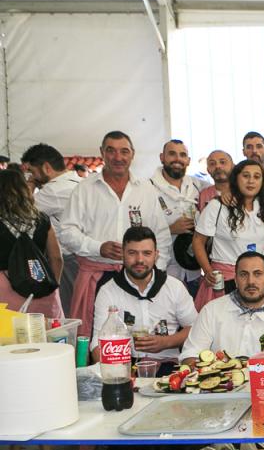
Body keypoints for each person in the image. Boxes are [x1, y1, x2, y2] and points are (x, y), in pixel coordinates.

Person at [58, 131, 172, 337]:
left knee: (137, 334)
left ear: (132, 154)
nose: (118, 157)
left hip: (138, 277)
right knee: (97, 336)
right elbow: (66, 232)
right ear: (102, 152)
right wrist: (97, 247)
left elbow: (161, 235)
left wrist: (156, 272)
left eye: (124, 151)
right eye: (111, 151)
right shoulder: (85, 189)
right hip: (97, 275)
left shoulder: (145, 190)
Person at [91, 226, 196, 371]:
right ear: (122, 254)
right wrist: (115, 376)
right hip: (124, 367)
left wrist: (166, 342)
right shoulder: (108, 291)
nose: (139, 260)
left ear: (156, 255)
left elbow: (195, 328)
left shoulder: (174, 287)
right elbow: (97, 344)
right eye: (132, 253)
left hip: (169, 367)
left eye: (147, 253)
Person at [181, 251, 264, 364]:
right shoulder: (211, 311)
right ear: (236, 280)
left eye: (257, 274)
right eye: (244, 275)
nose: (251, 281)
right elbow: (189, 356)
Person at [193, 159, 264, 310]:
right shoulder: (217, 206)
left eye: (256, 177)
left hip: (256, 282)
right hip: (224, 280)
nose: (251, 181)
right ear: (236, 178)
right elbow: (198, 241)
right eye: (246, 176)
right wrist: (208, 271)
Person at [23, 143, 82, 311]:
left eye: (32, 172)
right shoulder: (79, 181)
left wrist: (30, 186)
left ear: (46, 168)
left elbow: (22, 213)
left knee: (66, 310)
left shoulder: (53, 191)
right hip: (82, 257)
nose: (32, 177)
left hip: (68, 260)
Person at [0, 168, 64, 318]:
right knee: (43, 330)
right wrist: (52, 287)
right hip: (40, 283)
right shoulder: (41, 219)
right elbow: (56, 258)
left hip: (4, 291)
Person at [149, 140, 202, 284]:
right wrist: (170, 229)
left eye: (182, 155)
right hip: (163, 270)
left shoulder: (197, 186)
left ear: (188, 160)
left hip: (193, 271)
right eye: (172, 154)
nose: (178, 159)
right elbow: (137, 231)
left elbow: (222, 188)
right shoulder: (147, 189)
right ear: (162, 157)